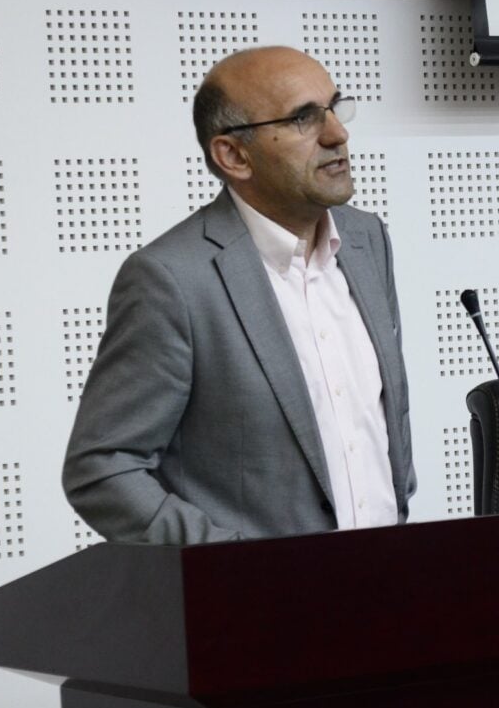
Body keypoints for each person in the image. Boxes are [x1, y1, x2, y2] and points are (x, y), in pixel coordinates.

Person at [62, 46, 415, 544]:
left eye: (335, 108)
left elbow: (379, 422)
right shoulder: (172, 280)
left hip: (390, 575)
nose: (338, 134)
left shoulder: (366, 240)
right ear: (233, 156)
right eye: (303, 118)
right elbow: (102, 468)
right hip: (256, 590)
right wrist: (230, 563)